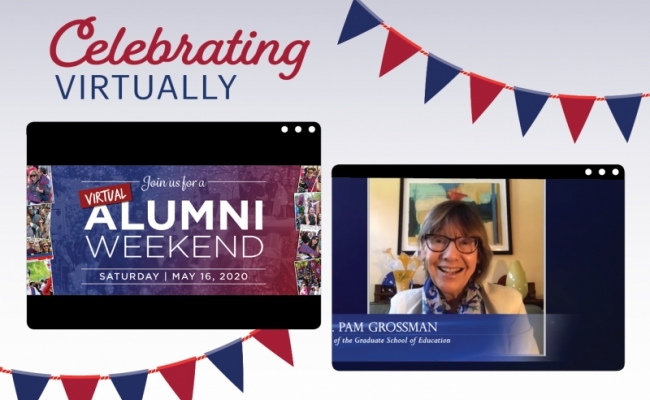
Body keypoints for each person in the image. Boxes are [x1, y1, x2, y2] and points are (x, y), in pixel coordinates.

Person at [389, 200, 538, 354]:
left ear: (478, 254)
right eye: (439, 240)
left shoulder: (509, 304)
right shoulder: (401, 307)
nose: (451, 256)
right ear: (424, 251)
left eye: (465, 242)